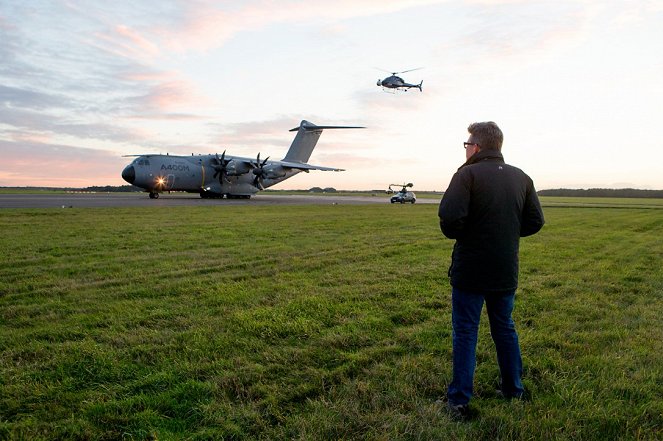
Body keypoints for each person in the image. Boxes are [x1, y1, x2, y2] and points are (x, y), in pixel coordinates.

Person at [438, 121, 544, 419]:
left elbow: (449, 217)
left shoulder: (466, 174)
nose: (466, 149)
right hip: (504, 270)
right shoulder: (521, 177)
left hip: (470, 270)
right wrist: (505, 233)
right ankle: (514, 389)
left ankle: (459, 400)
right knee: (505, 328)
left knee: (466, 332)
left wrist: (470, 233)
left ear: (478, 146)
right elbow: (535, 221)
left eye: (467, 144)